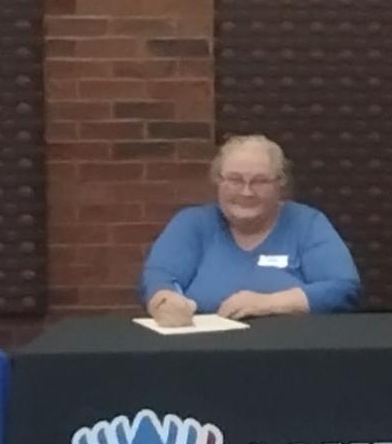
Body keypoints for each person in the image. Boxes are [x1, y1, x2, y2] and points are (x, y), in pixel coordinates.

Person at [141, 135, 359, 325]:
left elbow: (343, 289)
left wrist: (266, 303)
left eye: (260, 181)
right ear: (218, 181)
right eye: (235, 180)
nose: (246, 192)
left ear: (279, 184)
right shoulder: (192, 224)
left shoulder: (307, 223)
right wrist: (164, 301)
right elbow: (159, 278)